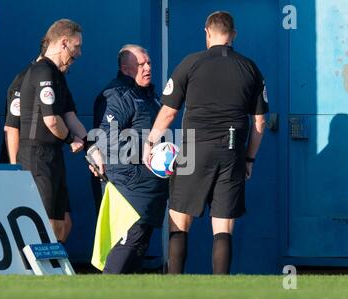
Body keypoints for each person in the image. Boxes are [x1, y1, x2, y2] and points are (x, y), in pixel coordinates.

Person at [143, 11, 268, 274]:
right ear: (233, 35)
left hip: (194, 151)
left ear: (207, 32)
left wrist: (150, 142)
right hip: (232, 152)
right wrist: (249, 159)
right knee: (223, 228)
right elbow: (259, 123)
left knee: (179, 220)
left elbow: (168, 112)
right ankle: (219, 290)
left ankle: (175, 289)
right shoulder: (251, 68)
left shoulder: (190, 63)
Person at [89, 44, 168, 274]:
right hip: (127, 185)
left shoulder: (151, 95)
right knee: (127, 244)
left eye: (149, 63)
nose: (147, 68)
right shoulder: (117, 96)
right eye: (140, 64)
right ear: (125, 68)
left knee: (139, 247)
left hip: (150, 186)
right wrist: (148, 154)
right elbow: (106, 138)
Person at [17, 19, 87, 243]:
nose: (79, 54)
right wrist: (71, 140)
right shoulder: (42, 71)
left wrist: (91, 147)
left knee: (62, 223)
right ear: (64, 43)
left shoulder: (58, 76)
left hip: (53, 155)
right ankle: (30, 274)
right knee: (42, 222)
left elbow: (69, 116)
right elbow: (52, 121)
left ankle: (53, 274)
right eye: (77, 47)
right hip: (36, 156)